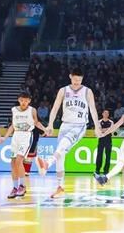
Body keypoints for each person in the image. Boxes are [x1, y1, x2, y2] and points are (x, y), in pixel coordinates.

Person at [40, 68, 102, 199]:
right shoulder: (63, 90)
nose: (77, 82)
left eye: (79, 80)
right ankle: (60, 187)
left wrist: (97, 126)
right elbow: (55, 108)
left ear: (82, 79)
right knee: (60, 155)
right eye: (75, 80)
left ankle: (47, 163)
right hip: (65, 125)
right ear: (70, 77)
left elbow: (93, 110)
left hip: (79, 126)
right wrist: (50, 124)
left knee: (62, 145)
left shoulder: (87, 91)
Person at [0, 91, 46, 200]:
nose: (24, 102)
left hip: (26, 136)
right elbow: (12, 125)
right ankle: (15, 187)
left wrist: (45, 129)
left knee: (19, 160)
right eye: (21, 100)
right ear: (18, 100)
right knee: (13, 162)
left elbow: (36, 123)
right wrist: (5, 137)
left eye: (26, 100)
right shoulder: (14, 110)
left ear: (29, 101)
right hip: (16, 136)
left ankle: (22, 186)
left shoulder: (32, 110)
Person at [96, 109, 114, 175]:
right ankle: (97, 169)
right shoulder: (99, 122)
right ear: (102, 114)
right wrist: (107, 129)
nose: (106, 114)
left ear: (108, 114)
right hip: (101, 140)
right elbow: (99, 130)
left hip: (108, 140)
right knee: (99, 155)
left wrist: (104, 130)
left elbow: (111, 130)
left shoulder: (111, 122)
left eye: (107, 113)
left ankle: (106, 170)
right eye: (105, 113)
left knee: (108, 156)